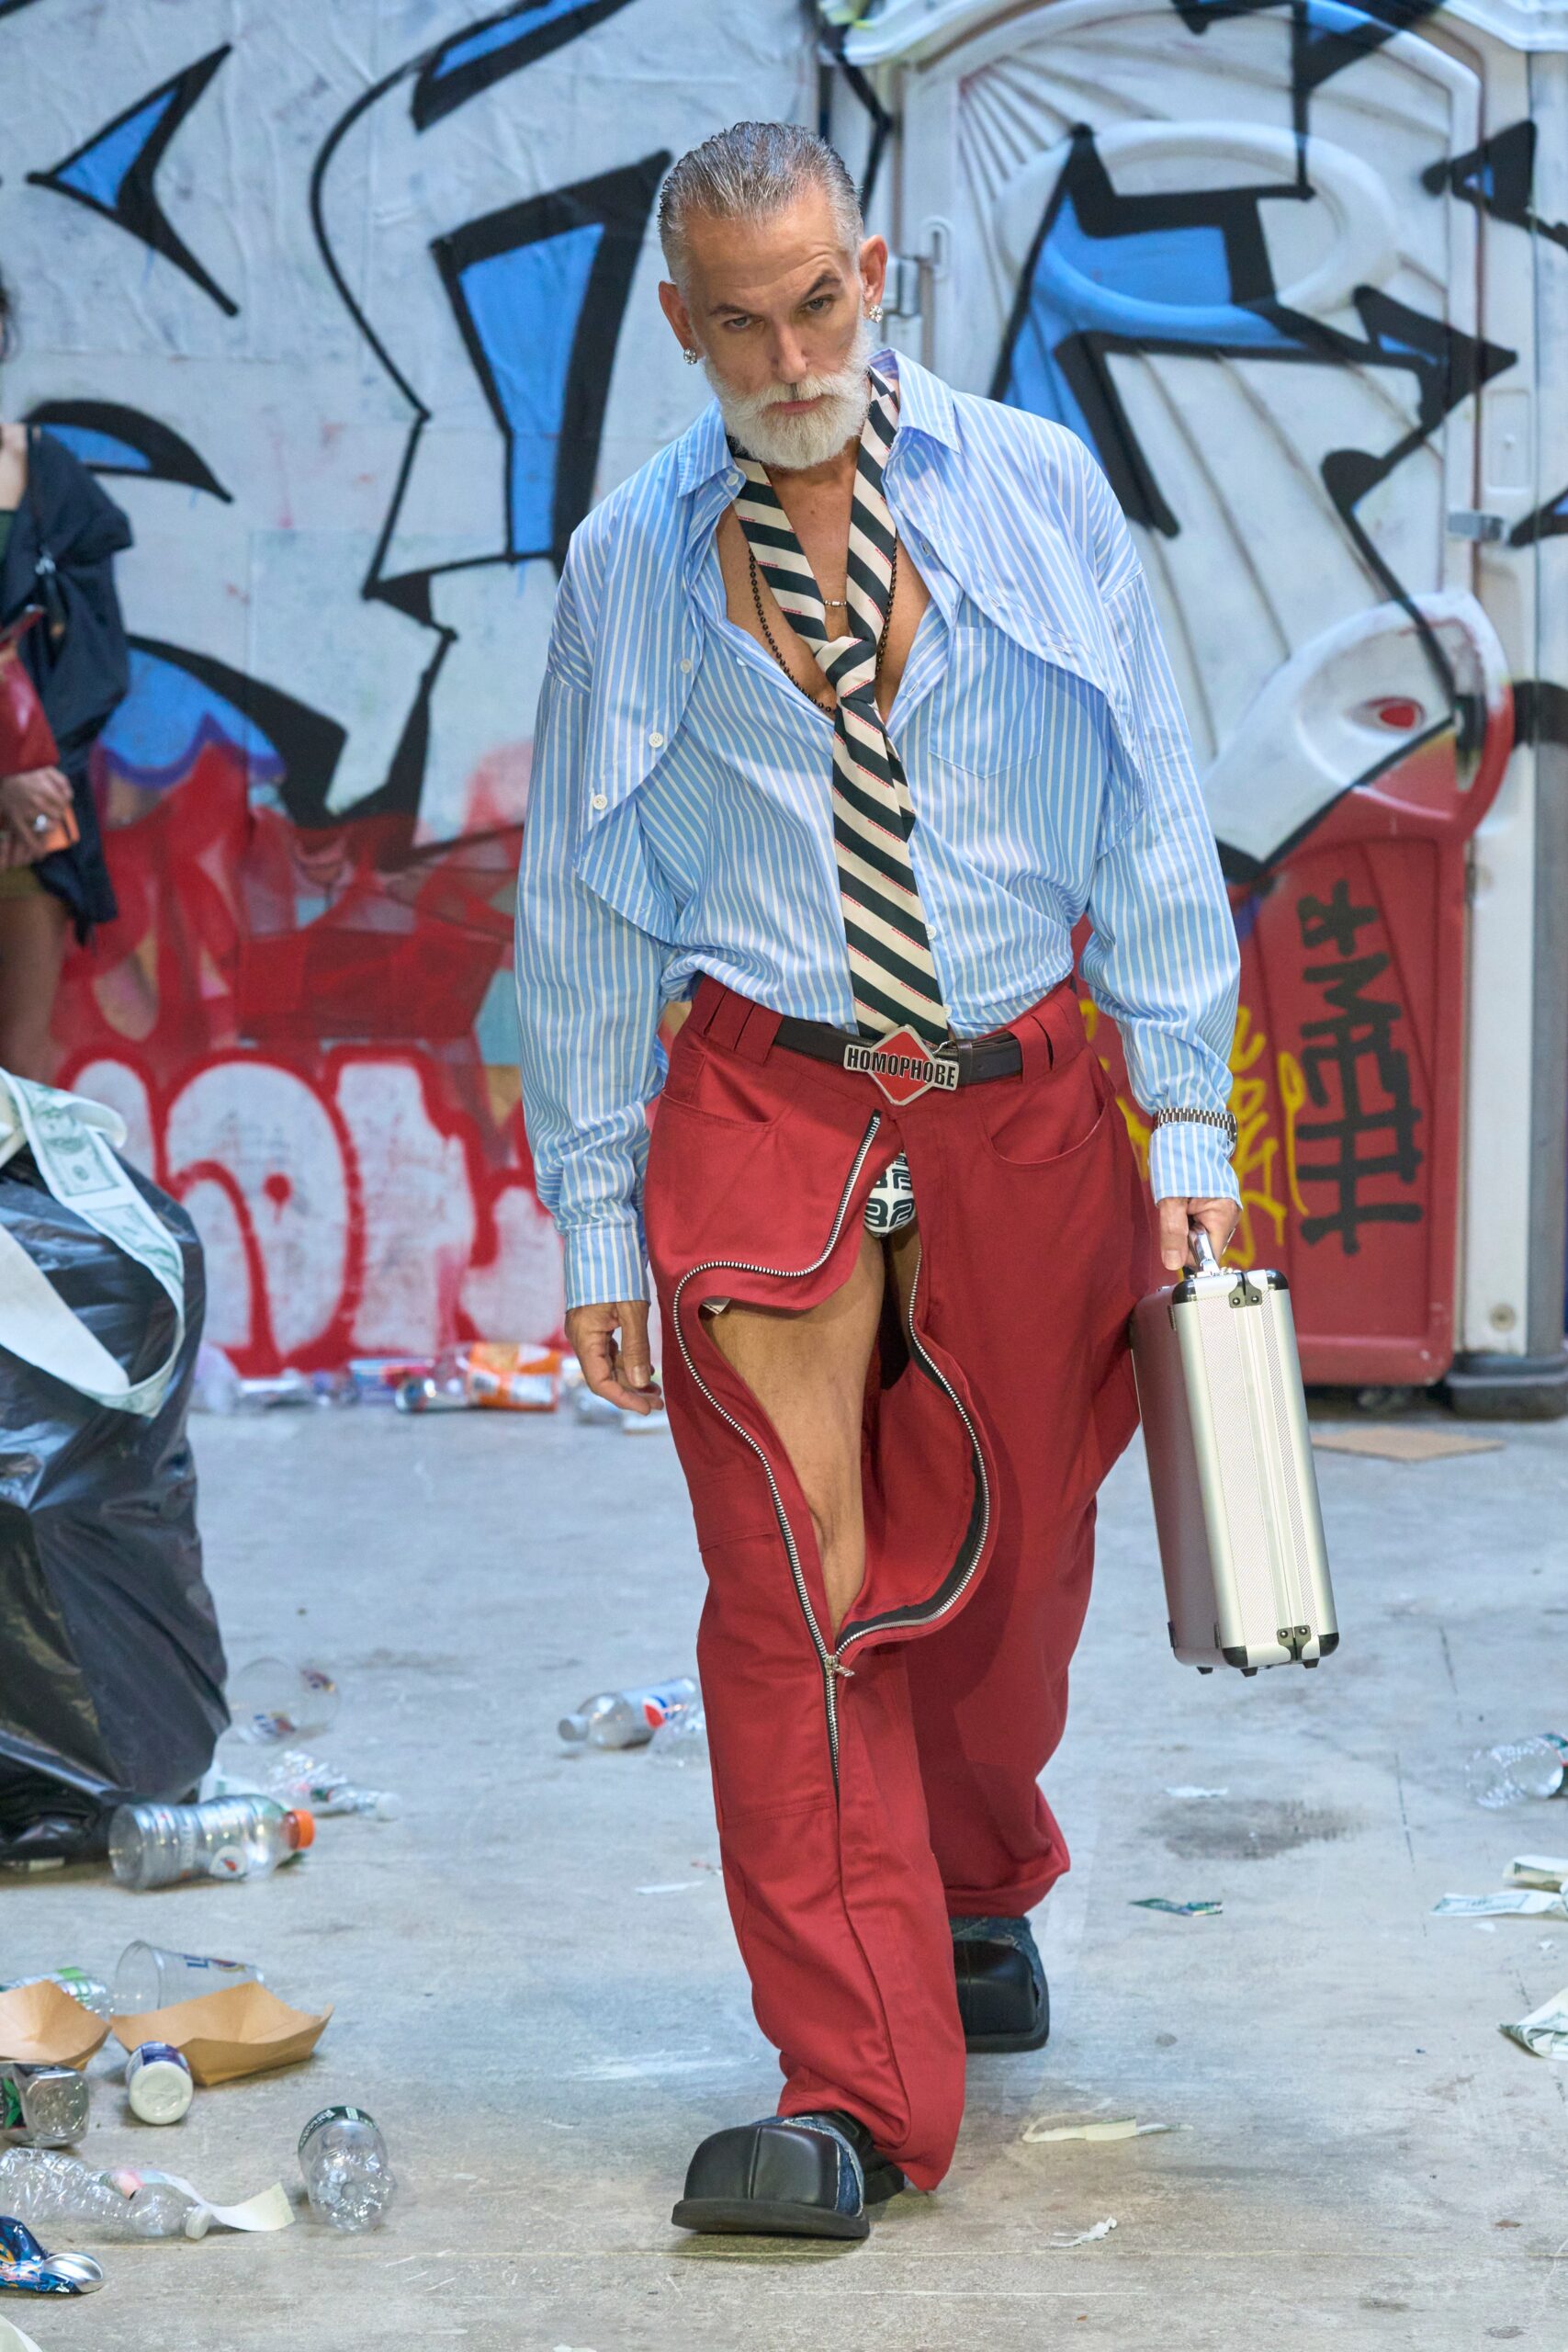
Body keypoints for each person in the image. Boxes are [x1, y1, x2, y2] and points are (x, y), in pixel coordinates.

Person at [515, 121, 1241, 2240]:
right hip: (765, 1103)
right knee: (795, 1593)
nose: (784, 348)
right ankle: (845, 2087)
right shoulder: (623, 572)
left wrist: (1183, 1124)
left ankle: (975, 1867)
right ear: (677, 322)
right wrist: (584, 1223)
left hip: (1022, 1094)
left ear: (877, 268)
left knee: (1006, 1584)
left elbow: (1151, 808)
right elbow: (576, 914)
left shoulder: (1030, 490)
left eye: (816, 297)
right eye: (734, 317)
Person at [0, 265, 132, 1079]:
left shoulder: (51, 480)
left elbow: (94, 663)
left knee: (18, 1079)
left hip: (31, 822)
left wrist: (33, 781)